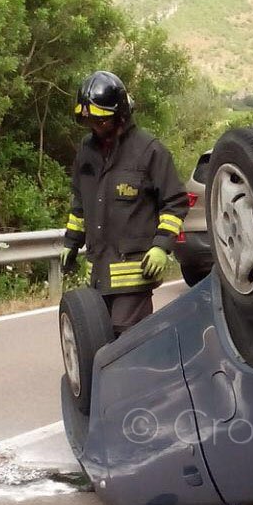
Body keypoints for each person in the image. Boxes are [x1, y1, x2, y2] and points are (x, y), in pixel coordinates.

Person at [62, 70, 188, 335]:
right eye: (90, 122)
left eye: (102, 121)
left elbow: (175, 201)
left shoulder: (149, 150)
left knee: (127, 338)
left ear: (120, 115)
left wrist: (161, 246)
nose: (96, 127)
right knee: (99, 340)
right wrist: (72, 242)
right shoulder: (87, 151)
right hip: (98, 273)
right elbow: (80, 203)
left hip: (134, 274)